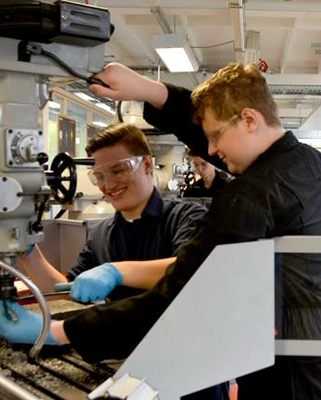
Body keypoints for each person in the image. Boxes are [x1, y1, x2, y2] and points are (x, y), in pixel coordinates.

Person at [0, 62, 321, 399]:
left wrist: (57, 332)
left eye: (215, 136)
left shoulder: (252, 195)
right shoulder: (305, 160)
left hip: (293, 375)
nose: (210, 149)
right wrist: (147, 89)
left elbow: (179, 295)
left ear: (249, 119)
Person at [15, 123, 228, 400]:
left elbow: (191, 272)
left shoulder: (187, 217)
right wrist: (27, 252)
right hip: (128, 370)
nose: (109, 185)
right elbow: (68, 291)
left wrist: (117, 271)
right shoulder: (101, 233)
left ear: (148, 165)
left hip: (189, 374)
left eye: (119, 169)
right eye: (99, 176)